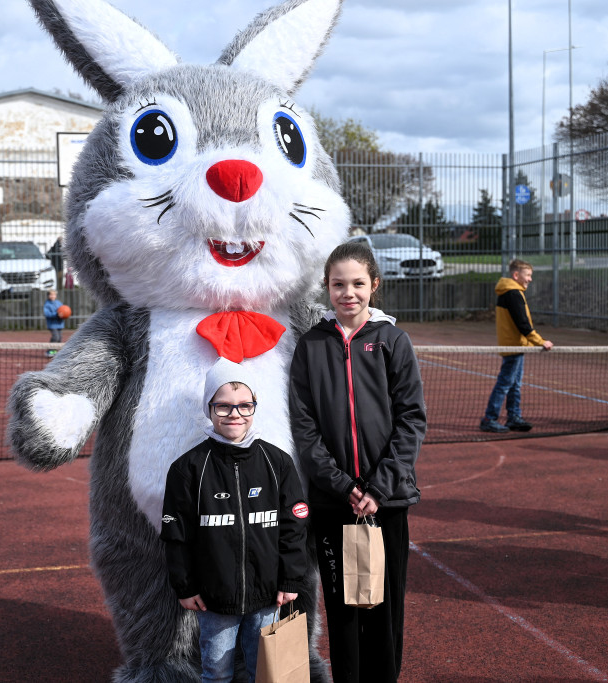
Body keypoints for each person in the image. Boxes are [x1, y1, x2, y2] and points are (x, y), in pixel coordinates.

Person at [289, 241, 426, 683]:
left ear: (374, 286)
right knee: (344, 607)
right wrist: (342, 485)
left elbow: (411, 420)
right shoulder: (311, 345)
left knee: (384, 607)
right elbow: (304, 427)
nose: (348, 293)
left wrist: (377, 488)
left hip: (386, 502)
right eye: (338, 284)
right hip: (334, 503)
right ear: (327, 288)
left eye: (358, 284)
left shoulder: (393, 341)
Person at [161, 359, 308, 682]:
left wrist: (290, 580)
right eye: (223, 407)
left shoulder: (277, 463)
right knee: (216, 671)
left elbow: (294, 528)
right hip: (216, 599)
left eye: (244, 406)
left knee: (266, 672)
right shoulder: (188, 469)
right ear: (209, 409)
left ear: (255, 407)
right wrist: (184, 586)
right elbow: (176, 535)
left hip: (269, 594)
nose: (235, 415)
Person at [479, 258, 553, 434]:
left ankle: (514, 416)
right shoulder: (513, 294)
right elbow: (523, 324)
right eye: (527, 275)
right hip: (514, 346)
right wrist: (540, 341)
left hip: (517, 346)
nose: (530, 279)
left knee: (514, 384)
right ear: (516, 275)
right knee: (505, 383)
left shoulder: (512, 292)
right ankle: (489, 418)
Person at [43, 289, 65, 356]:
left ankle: (54, 351)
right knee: (55, 337)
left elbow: (63, 310)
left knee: (59, 338)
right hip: (52, 324)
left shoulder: (58, 303)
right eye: (51, 294)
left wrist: (64, 314)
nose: (52, 296)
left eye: (54, 294)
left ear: (56, 295)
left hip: (59, 324)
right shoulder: (47, 304)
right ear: (48, 296)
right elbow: (47, 314)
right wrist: (56, 314)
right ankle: (49, 351)